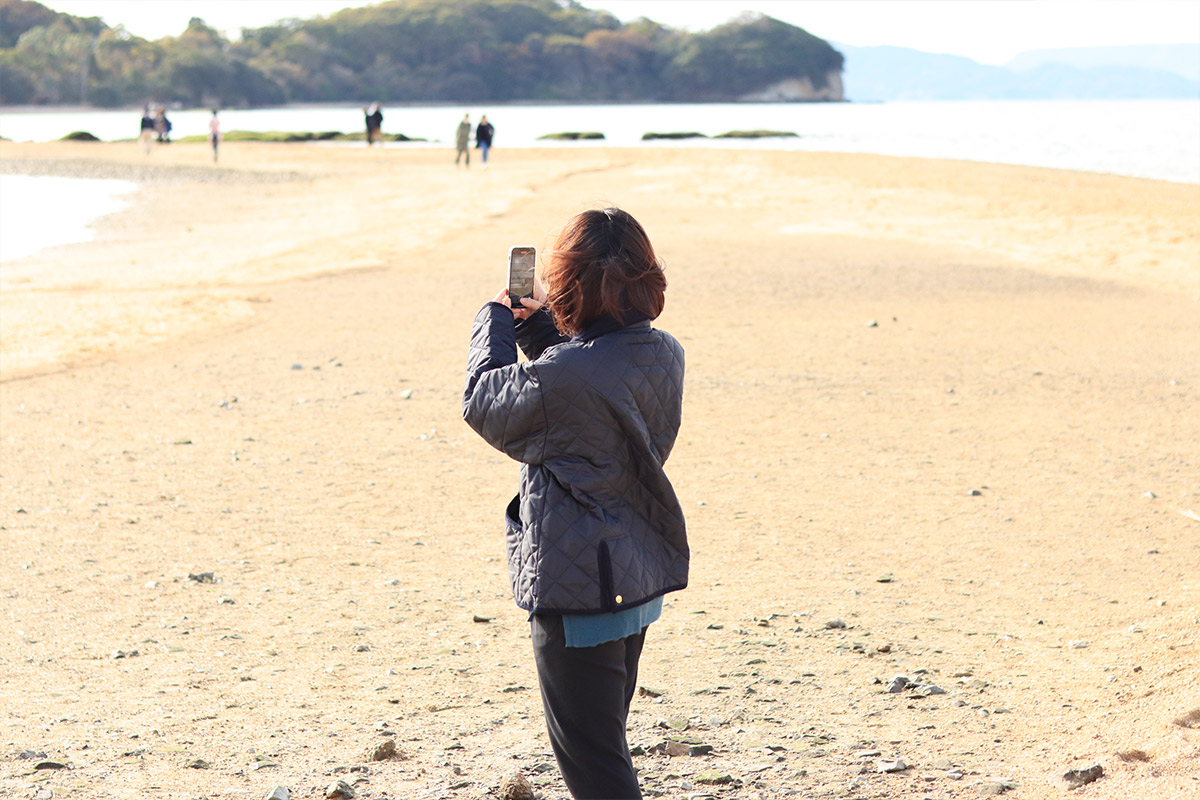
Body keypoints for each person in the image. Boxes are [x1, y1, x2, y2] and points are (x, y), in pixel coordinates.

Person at [463, 207, 688, 799]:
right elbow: (588, 382)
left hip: (579, 593)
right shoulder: (664, 353)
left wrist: (497, 319)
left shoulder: (566, 377)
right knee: (604, 743)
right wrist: (541, 332)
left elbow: (486, 401)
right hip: (633, 579)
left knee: (596, 768)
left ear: (566, 285)